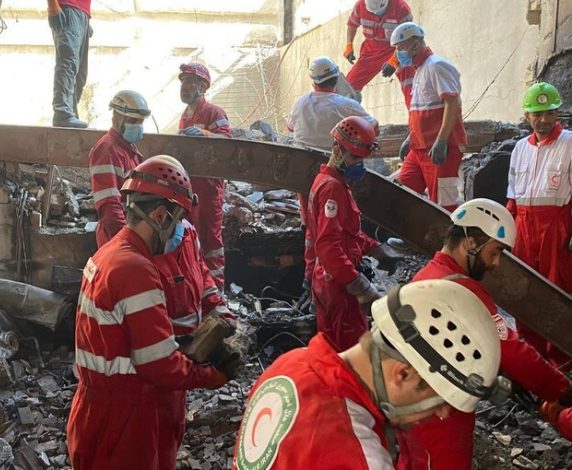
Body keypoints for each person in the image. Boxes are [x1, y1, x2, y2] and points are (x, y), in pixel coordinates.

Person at [67, 155, 235, 470]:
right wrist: (213, 376)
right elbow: (159, 364)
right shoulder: (135, 269)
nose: (180, 230)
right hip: (124, 416)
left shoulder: (111, 253)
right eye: (177, 220)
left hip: (111, 407)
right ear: (159, 215)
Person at [233, 279, 505, 470]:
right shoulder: (360, 457)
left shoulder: (290, 364)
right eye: (439, 399)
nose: (443, 413)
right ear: (404, 374)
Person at [396, 198, 572, 470]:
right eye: (495, 251)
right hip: (440, 413)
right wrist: (561, 389)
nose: (496, 263)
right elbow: (511, 350)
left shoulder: (427, 274)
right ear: (470, 243)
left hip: (410, 401)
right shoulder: (462, 289)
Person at [287, 57, 378, 303]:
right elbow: (372, 126)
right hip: (336, 175)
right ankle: (325, 278)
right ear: (336, 78)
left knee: (313, 228)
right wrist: (356, 282)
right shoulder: (346, 105)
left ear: (313, 80)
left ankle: (310, 279)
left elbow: (290, 128)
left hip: (304, 176)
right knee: (336, 227)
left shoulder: (301, 102)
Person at [306, 116, 401, 351]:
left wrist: (375, 248)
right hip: (338, 287)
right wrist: (358, 284)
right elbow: (328, 246)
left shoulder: (327, 181)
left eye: (362, 159)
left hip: (327, 279)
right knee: (355, 353)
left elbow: (346, 234)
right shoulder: (333, 189)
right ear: (337, 150)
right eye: (355, 158)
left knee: (331, 351)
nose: (359, 164)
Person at [506, 82, 572, 370]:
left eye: (549, 113)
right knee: (523, 289)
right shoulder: (520, 149)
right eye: (537, 114)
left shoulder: (569, 144)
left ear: (557, 114)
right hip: (523, 226)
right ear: (527, 116)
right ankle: (532, 355)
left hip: (556, 228)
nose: (543, 120)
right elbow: (512, 197)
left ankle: (561, 360)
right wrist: (506, 231)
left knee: (557, 290)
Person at [393, 22, 467, 212]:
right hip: (420, 148)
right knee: (400, 193)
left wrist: (442, 140)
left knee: (443, 205)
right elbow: (423, 109)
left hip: (440, 148)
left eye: (400, 48)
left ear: (415, 45)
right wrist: (411, 138)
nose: (398, 54)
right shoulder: (420, 70)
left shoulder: (436, 66)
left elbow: (452, 102)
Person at [177, 62, 231, 291]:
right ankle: (198, 290)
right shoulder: (185, 115)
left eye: (189, 81)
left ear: (203, 86)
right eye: (183, 81)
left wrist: (204, 133)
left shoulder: (214, 112)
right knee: (191, 240)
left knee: (210, 243)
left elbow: (228, 143)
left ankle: (216, 292)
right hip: (190, 188)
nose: (184, 86)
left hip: (208, 190)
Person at [89, 90, 150, 247]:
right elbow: (109, 206)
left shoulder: (128, 149)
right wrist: (127, 240)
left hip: (128, 231)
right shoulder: (107, 150)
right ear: (117, 118)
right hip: (116, 236)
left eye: (140, 122)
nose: (138, 126)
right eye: (133, 121)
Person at [344, 0, 415, 106]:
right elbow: (352, 25)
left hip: (397, 49)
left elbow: (408, 39)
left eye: (380, 12)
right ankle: (345, 113)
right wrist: (349, 44)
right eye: (372, 12)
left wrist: (394, 60)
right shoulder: (360, 5)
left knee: (410, 82)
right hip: (370, 51)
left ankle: (416, 110)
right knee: (348, 87)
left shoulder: (401, 8)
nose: (376, 15)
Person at [48, 0, 91, 128]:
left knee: (80, 75)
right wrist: (53, 6)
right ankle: (62, 113)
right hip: (67, 8)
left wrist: (85, 19)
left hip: (82, 13)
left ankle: (70, 115)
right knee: (68, 64)